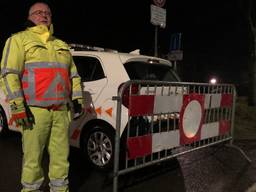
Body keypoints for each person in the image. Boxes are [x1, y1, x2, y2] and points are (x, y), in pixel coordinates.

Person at [0, 2, 83, 191]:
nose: (44, 15)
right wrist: (18, 106)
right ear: (30, 17)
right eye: (38, 12)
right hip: (34, 112)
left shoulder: (61, 44)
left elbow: (74, 76)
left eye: (48, 13)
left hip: (61, 113)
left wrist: (77, 100)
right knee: (32, 160)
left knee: (61, 159)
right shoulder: (18, 40)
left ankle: (60, 189)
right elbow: (8, 74)